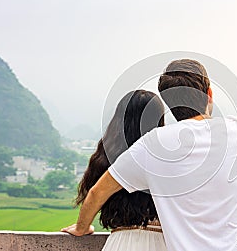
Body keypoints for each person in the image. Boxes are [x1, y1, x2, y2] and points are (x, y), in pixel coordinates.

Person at [62, 59, 237, 251]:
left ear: (169, 105)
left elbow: (96, 193)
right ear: (210, 93)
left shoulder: (152, 146)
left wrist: (81, 228)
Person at [63, 90, 167, 251]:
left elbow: (95, 193)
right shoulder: (167, 157)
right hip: (163, 242)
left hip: (119, 242)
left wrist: (81, 228)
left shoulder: (107, 155)